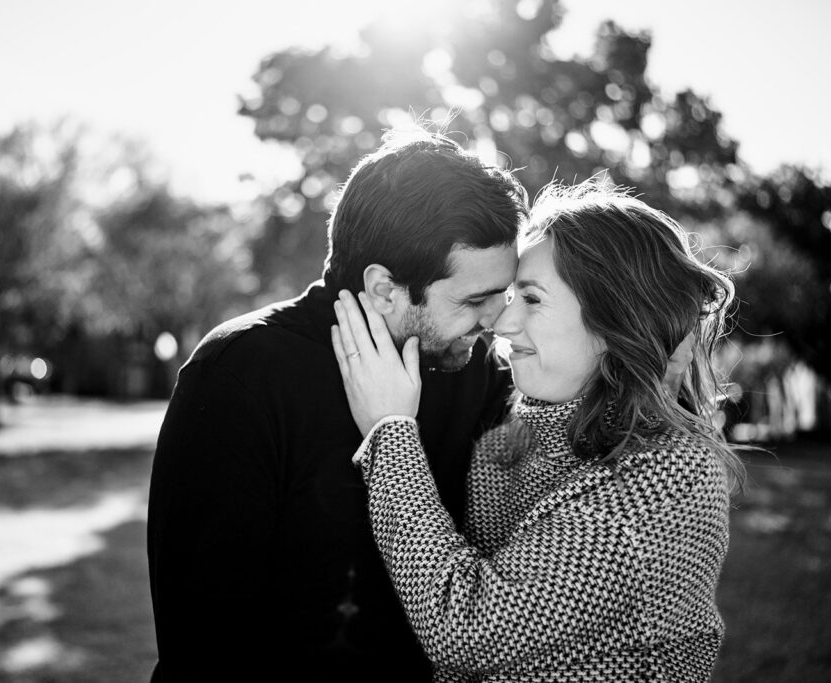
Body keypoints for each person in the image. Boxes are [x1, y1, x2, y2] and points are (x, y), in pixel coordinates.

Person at [145, 128, 529, 681]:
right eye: (474, 300)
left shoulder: (482, 375)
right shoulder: (239, 373)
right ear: (383, 289)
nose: (498, 320)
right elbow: (202, 642)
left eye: (506, 293)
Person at [330, 181, 745, 682]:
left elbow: (468, 633)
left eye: (530, 298)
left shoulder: (671, 476)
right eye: (510, 296)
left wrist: (390, 432)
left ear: (616, 319)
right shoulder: (508, 445)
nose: (502, 322)